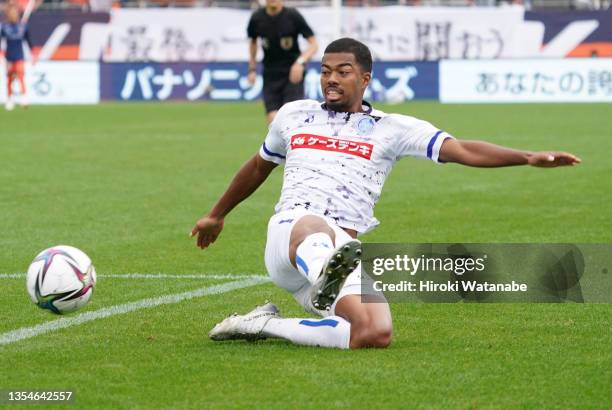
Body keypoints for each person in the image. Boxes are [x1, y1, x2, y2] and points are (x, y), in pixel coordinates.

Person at [191, 38, 581, 349]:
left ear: (365, 79)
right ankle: (324, 269)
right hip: (291, 235)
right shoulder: (294, 115)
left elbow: (460, 149)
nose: (331, 79)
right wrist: (217, 213)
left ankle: (265, 326)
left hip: (342, 248)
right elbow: (260, 165)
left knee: (373, 333)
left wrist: (527, 157)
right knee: (313, 225)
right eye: (325, 71)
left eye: (344, 72)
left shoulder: (391, 128)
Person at [247, 0, 318, 124]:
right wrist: (252, 69)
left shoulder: (293, 16)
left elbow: (313, 44)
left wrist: (300, 62)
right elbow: (253, 42)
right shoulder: (257, 18)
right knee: (273, 120)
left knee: (291, 119)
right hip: (270, 74)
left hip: (292, 75)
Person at [0, 3, 35, 111]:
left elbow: (29, 41)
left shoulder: (23, 26)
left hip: (20, 56)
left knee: (20, 76)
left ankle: (24, 98)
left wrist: (33, 54)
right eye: (11, 13)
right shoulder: (4, 27)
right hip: (9, 57)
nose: (13, 15)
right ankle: (9, 99)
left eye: (14, 13)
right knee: (9, 79)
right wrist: (1, 56)